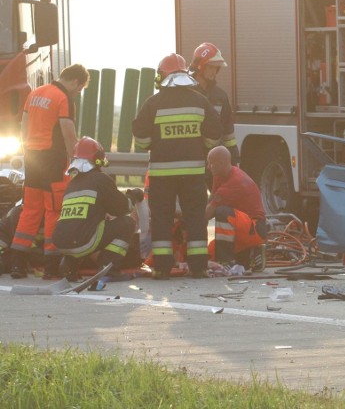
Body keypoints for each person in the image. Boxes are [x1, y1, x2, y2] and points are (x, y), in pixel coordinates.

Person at [132, 53, 222, 280]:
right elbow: (214, 134)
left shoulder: (153, 103)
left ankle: (162, 268)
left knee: (162, 219)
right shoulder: (200, 100)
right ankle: (199, 268)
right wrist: (201, 147)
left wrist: (156, 143)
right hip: (193, 173)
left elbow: (141, 139)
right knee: (195, 218)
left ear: (162, 76)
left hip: (162, 174)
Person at [8, 63, 89, 279]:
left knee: (30, 210)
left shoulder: (35, 93)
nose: (77, 92)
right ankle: (51, 266)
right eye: (79, 89)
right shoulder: (64, 98)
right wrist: (77, 160)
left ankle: (16, 262)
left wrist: (28, 153)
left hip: (33, 159)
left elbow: (23, 127)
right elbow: (68, 133)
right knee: (54, 210)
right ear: (74, 81)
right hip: (53, 161)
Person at [53, 137, 136, 281]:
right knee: (127, 223)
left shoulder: (72, 184)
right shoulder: (101, 179)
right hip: (83, 242)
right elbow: (123, 209)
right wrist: (133, 196)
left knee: (85, 228)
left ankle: (68, 266)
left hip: (61, 243)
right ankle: (108, 269)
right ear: (98, 158)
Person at [205, 145, 268, 274]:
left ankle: (226, 262)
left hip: (255, 228)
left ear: (221, 163)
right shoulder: (221, 175)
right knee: (209, 255)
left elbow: (207, 214)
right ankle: (251, 253)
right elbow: (210, 201)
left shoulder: (233, 183)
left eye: (211, 164)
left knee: (222, 212)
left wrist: (181, 213)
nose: (208, 167)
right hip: (243, 227)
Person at [189, 42, 239, 165]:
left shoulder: (220, 96)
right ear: (200, 67)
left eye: (216, 68)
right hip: (192, 158)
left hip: (214, 162)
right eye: (210, 67)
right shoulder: (187, 94)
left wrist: (233, 155)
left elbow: (228, 130)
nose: (214, 72)